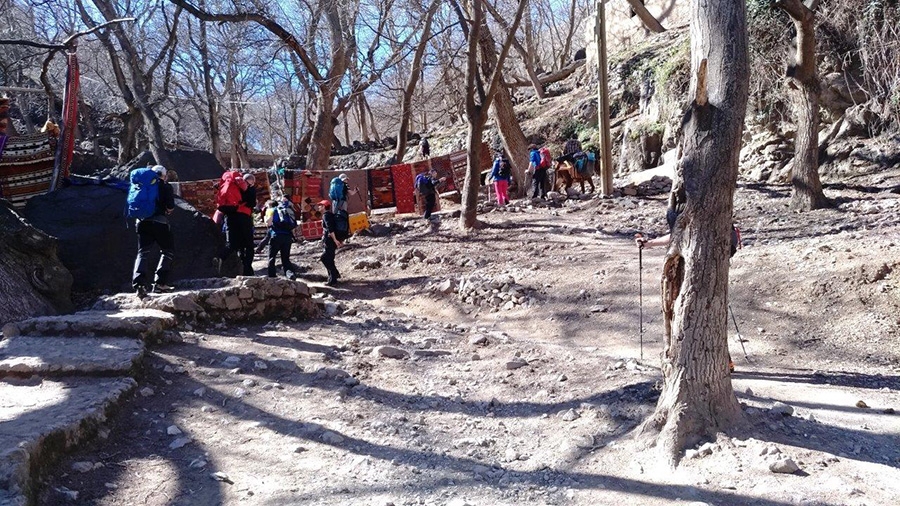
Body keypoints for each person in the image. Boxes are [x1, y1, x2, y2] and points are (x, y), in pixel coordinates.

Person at [132, 165, 175, 297]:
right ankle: (160, 284)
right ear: (163, 175)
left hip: (141, 222)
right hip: (159, 222)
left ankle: (139, 284)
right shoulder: (165, 186)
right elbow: (170, 207)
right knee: (167, 251)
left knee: (142, 253)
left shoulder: (141, 185)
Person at [216, 172, 257, 276]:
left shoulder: (232, 187)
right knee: (248, 245)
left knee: (232, 244)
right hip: (244, 218)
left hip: (230, 216)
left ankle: (220, 257)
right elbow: (252, 203)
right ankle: (247, 270)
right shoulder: (249, 188)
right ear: (251, 181)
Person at [264, 198, 299, 279]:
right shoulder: (285, 211)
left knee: (272, 257)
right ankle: (290, 274)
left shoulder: (271, 210)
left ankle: (272, 276)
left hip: (276, 236)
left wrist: (266, 218)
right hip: (287, 237)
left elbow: (268, 224)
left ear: (269, 205)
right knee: (285, 258)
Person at [318, 199, 343, 286]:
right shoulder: (331, 215)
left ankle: (333, 279)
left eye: (320, 205)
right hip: (332, 240)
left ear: (324, 207)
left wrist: (335, 240)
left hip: (329, 240)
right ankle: (334, 276)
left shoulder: (326, 216)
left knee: (325, 258)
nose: (319, 207)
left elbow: (330, 229)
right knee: (329, 259)